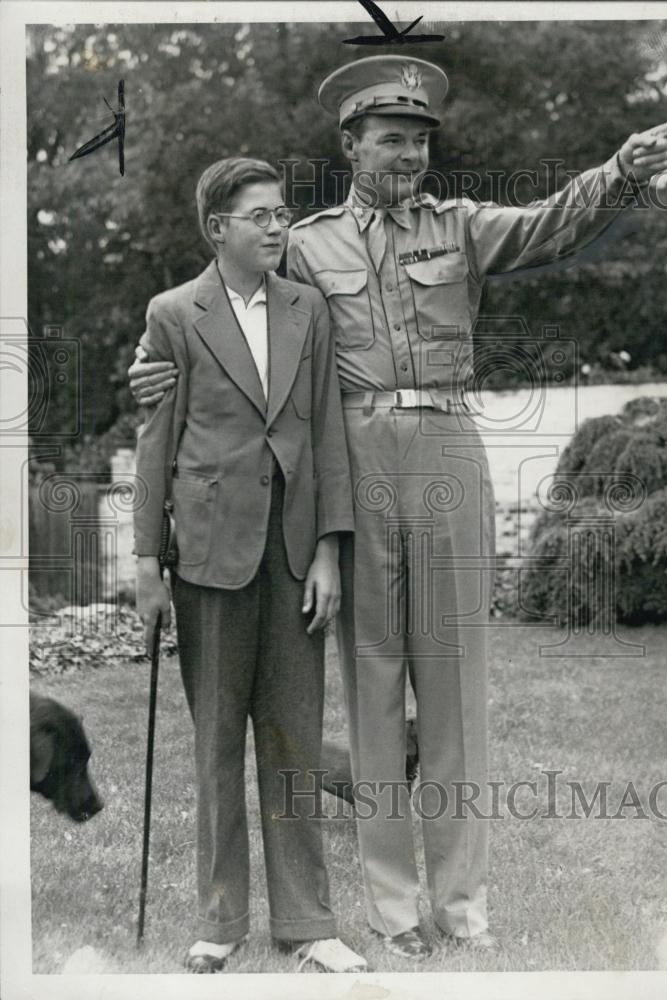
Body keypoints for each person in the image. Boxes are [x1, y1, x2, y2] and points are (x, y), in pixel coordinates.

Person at [129, 56, 667, 959]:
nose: (409, 155)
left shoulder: (461, 228)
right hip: (352, 464)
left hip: (447, 449)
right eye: (391, 139)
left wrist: (617, 172)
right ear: (349, 145)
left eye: (421, 141)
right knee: (374, 686)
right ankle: (394, 910)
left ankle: (463, 904)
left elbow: (550, 225)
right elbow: (218, 311)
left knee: (457, 688)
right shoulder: (303, 243)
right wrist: (156, 368)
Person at [133, 156, 366, 974]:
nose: (277, 227)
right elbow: (154, 441)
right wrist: (144, 563)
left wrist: (331, 551)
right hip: (205, 553)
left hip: (295, 550)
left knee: (294, 739)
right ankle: (219, 921)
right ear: (216, 229)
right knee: (216, 744)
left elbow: (328, 433)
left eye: (281, 214)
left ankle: (308, 923)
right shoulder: (173, 314)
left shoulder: (309, 309)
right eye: (259, 215)